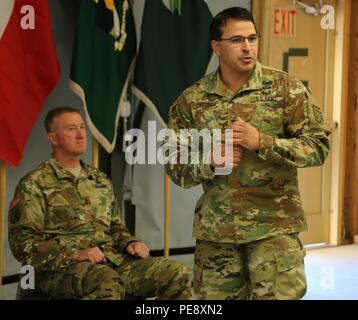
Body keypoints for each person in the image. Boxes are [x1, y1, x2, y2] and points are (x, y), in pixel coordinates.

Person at [165, 7, 331, 300]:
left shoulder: (286, 90)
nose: (247, 47)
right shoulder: (192, 100)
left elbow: (318, 147)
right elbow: (174, 164)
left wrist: (263, 142)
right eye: (237, 40)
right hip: (217, 233)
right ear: (216, 47)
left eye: (252, 38)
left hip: (274, 229)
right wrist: (209, 161)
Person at [9, 106, 191, 300]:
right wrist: (74, 254)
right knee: (107, 282)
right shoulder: (34, 184)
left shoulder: (99, 180)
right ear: (53, 138)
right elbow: (23, 245)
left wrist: (131, 243)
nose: (81, 135)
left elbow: (115, 228)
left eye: (82, 127)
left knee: (177, 273)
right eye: (71, 129)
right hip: (60, 270)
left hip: (111, 261)